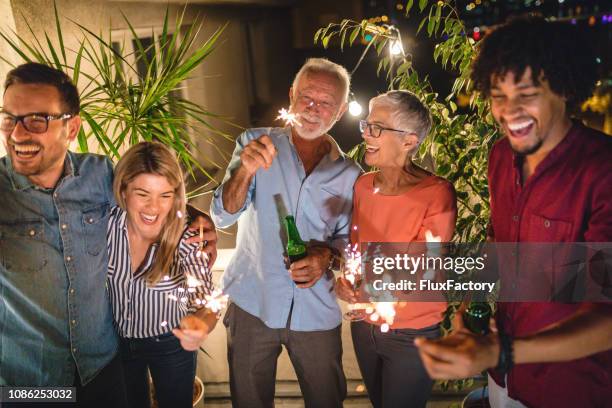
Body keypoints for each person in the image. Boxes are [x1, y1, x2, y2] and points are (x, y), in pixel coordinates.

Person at [414, 16, 612, 408]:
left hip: (575, 387)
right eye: (498, 95)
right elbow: (498, 242)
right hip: (505, 382)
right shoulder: (501, 156)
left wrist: (502, 352)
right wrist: (472, 307)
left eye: (527, 93)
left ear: (565, 89)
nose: (509, 111)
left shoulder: (601, 171)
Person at [0, 62, 216, 407]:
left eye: (36, 119)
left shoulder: (100, 174)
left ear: (72, 128)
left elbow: (147, 190)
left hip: (103, 370)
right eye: (9, 118)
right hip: (31, 384)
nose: (17, 133)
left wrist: (195, 216)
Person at [210, 58, 361, 408]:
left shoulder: (350, 173)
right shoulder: (254, 143)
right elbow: (222, 215)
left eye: (326, 104)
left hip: (317, 311)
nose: (313, 109)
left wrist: (326, 257)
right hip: (252, 302)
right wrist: (245, 171)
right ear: (291, 95)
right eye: (307, 97)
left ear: (338, 113)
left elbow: (347, 245)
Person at [335, 90, 457, 408]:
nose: (365, 133)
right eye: (366, 124)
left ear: (409, 141)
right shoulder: (362, 186)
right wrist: (346, 280)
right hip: (364, 325)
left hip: (412, 332)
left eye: (377, 127)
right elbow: (356, 250)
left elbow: (422, 267)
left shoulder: (437, 193)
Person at [108, 142, 218, 408]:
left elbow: (207, 302)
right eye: (142, 194)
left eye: (165, 195)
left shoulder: (189, 235)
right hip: (115, 343)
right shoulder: (104, 225)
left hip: (170, 344)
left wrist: (201, 323)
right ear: (123, 189)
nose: (153, 207)